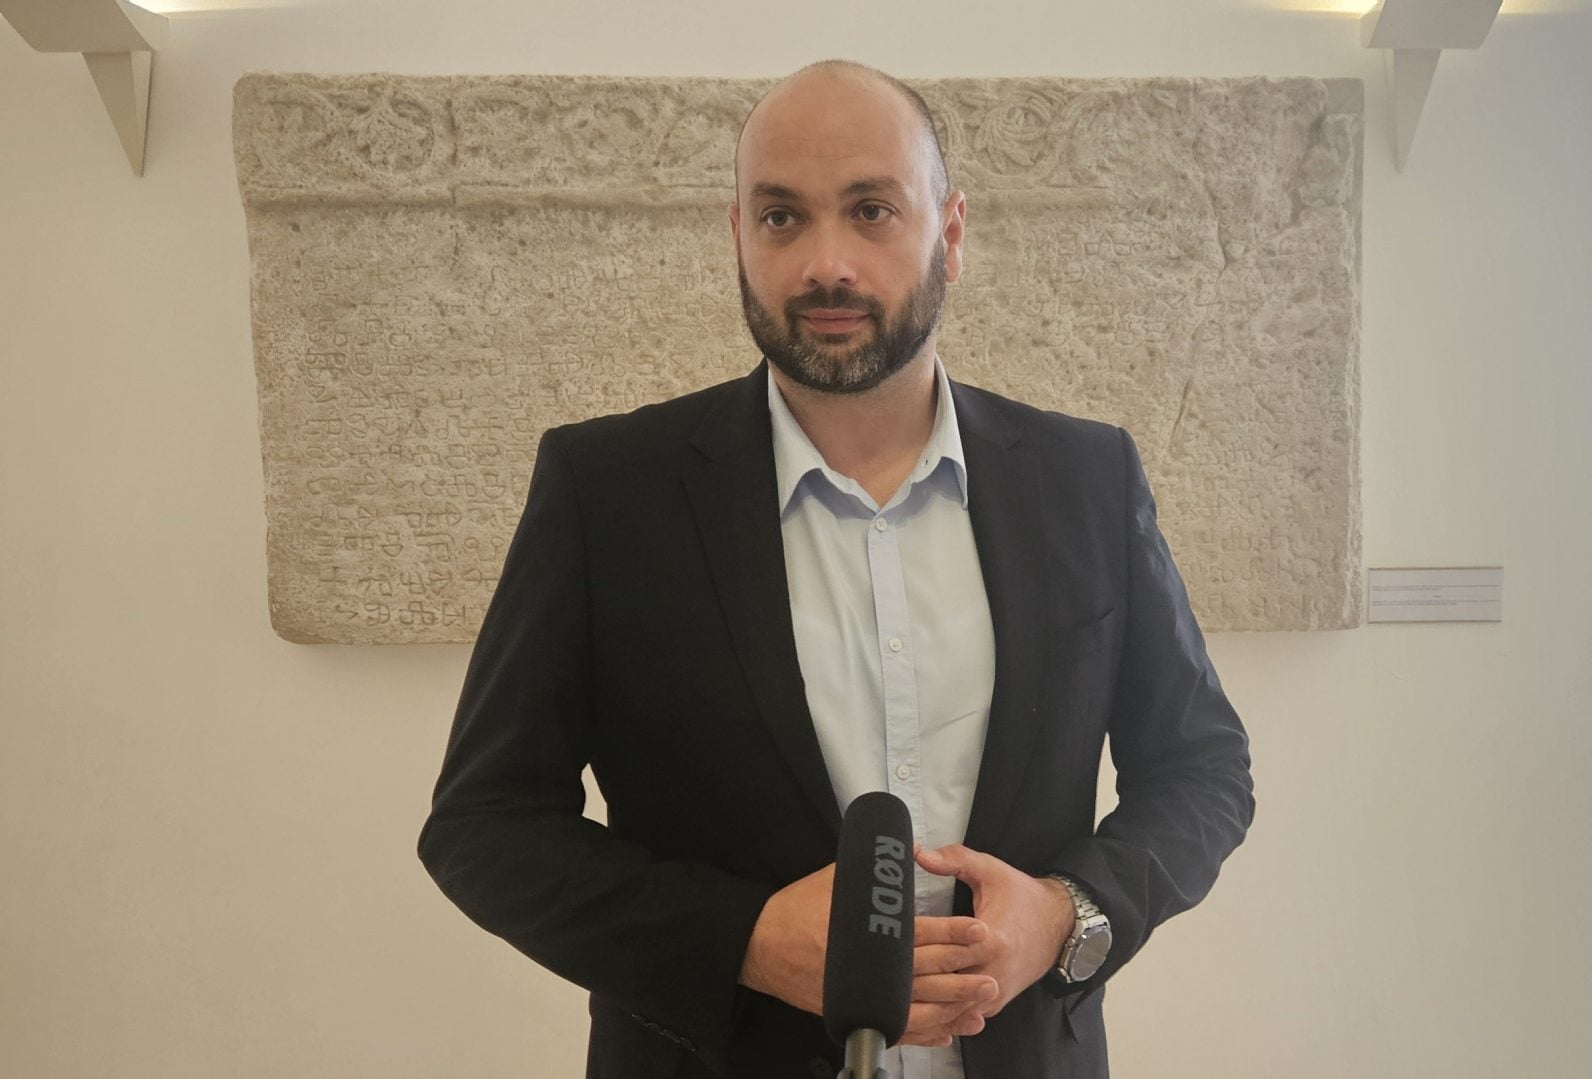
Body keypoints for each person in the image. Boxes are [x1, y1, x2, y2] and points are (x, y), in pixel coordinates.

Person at [418, 59, 1255, 1079]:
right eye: (781, 217)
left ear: (949, 232)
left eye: (870, 211)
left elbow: (1201, 769)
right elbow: (484, 825)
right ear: (737, 234)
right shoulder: (606, 492)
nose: (826, 264)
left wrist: (1065, 914)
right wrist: (743, 939)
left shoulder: (1086, 479)